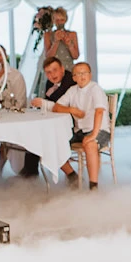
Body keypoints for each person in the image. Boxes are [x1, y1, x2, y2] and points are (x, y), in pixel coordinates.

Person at [31, 62, 111, 190]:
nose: (82, 76)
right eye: (78, 74)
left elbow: (99, 111)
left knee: (90, 144)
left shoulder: (95, 88)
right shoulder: (72, 90)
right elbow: (57, 107)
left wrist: (94, 135)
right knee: (51, 143)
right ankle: (72, 175)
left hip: (99, 129)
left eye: (84, 73)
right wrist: (72, 110)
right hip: (79, 131)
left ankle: (93, 186)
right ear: (73, 78)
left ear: (90, 75)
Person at [21, 57, 76, 177]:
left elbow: (61, 106)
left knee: (44, 137)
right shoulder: (50, 83)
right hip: (58, 122)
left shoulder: (70, 81)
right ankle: (30, 171)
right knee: (34, 132)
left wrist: (44, 103)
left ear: (62, 69)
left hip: (73, 124)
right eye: (48, 72)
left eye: (55, 70)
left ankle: (71, 175)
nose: (52, 75)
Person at [0, 44, 28, 176]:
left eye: (0, 55)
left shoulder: (16, 76)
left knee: (6, 134)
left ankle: (0, 167)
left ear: (5, 56)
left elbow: (20, 102)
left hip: (10, 118)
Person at [43, 7, 79, 73]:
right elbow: (48, 57)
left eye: (62, 20)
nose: (59, 23)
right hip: (54, 70)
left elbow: (75, 56)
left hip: (69, 69)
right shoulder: (47, 34)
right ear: (53, 20)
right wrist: (56, 42)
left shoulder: (72, 34)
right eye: (57, 20)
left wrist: (69, 44)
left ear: (65, 20)